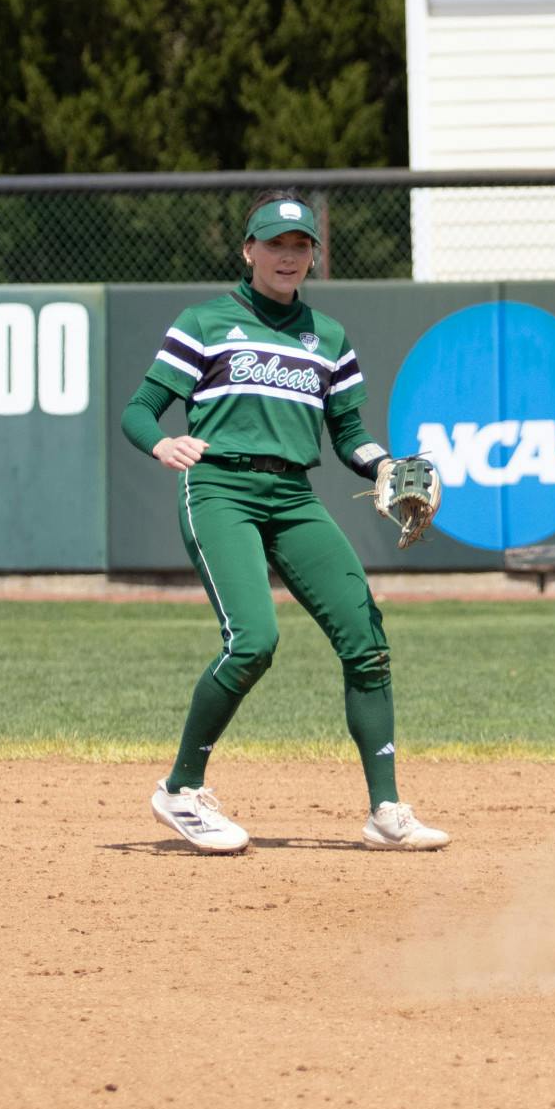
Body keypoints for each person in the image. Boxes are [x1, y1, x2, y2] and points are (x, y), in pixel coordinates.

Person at [119, 191, 448, 855]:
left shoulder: (327, 338)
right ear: (249, 251)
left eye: (300, 247)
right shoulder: (206, 322)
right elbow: (140, 409)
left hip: (293, 496)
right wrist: (161, 444)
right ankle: (180, 789)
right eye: (275, 245)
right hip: (220, 490)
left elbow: (348, 432)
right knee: (254, 639)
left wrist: (384, 466)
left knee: (366, 637)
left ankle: (385, 811)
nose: (289, 257)